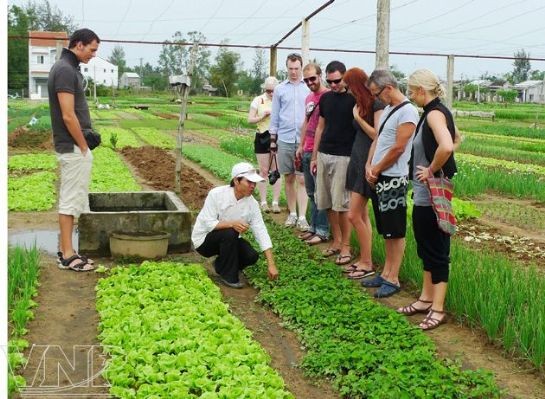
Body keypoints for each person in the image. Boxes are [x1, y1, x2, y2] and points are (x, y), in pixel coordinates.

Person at [397, 69, 459, 330]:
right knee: (425, 247)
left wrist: (432, 169)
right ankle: (425, 298)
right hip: (425, 196)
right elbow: (455, 140)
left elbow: (446, 145)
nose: (410, 95)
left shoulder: (434, 113)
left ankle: (438, 308)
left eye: (412, 91)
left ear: (422, 91)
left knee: (436, 251)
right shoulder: (434, 112)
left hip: (432, 196)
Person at [363, 69, 419, 298]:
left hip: (393, 178)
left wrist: (377, 168)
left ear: (388, 88)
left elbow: (398, 148)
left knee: (395, 231)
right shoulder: (388, 109)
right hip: (379, 175)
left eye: (377, 93)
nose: (376, 98)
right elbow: (378, 138)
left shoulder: (408, 112)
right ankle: (385, 273)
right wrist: (369, 164)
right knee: (385, 229)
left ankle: (393, 277)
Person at [48, 28, 100, 272]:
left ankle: (67, 250)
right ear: (78, 45)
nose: (93, 54)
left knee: (72, 199)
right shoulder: (65, 71)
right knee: (69, 201)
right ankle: (68, 255)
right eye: (92, 49)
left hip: (73, 146)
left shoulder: (67, 69)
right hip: (72, 147)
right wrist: (82, 146)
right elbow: (68, 115)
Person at [191, 162, 279, 288]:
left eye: (254, 183)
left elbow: (261, 230)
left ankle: (221, 265)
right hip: (205, 240)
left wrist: (271, 264)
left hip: (228, 241)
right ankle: (229, 276)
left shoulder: (252, 204)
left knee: (251, 256)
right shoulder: (216, 194)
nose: (253, 186)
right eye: (249, 182)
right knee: (230, 232)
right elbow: (208, 223)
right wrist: (232, 223)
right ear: (236, 181)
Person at [311, 61, 356, 266]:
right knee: (326, 201)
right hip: (324, 154)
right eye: (329, 82)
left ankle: (346, 246)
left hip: (344, 156)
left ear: (344, 77)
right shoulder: (326, 98)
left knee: (343, 204)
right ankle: (336, 241)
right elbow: (320, 127)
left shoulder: (354, 99)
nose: (333, 85)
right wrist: (314, 156)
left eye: (336, 81)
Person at [342, 68, 385, 279]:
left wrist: (358, 119)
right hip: (357, 160)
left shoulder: (376, 105)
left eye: (349, 86)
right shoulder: (360, 105)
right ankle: (364, 258)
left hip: (367, 163)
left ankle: (367, 262)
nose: (347, 90)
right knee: (361, 215)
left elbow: (378, 134)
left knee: (352, 215)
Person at [269, 53, 310, 230]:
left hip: (304, 139)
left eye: (296, 68)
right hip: (285, 138)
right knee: (289, 177)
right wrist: (273, 139)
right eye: (290, 69)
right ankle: (292, 213)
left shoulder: (308, 88)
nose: (294, 72)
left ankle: (302, 216)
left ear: (301, 68)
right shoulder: (280, 89)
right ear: (287, 69)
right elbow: (275, 115)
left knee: (302, 179)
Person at [295, 63, 330, 245]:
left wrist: (316, 154)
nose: (310, 82)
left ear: (320, 76)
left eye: (313, 79)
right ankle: (313, 227)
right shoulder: (309, 97)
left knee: (320, 192)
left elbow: (323, 127)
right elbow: (306, 122)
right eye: (306, 80)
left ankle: (323, 230)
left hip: (320, 151)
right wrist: (300, 145)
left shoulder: (327, 97)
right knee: (310, 192)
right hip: (307, 149)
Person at [248, 76, 282, 213]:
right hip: (262, 135)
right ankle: (263, 202)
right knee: (263, 170)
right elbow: (250, 119)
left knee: (276, 171)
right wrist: (262, 117)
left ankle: (275, 202)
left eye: (274, 90)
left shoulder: (281, 100)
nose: (271, 93)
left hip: (278, 136)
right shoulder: (258, 100)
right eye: (268, 90)